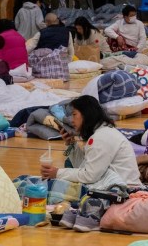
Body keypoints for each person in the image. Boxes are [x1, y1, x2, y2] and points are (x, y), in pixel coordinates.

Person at [40, 95, 142, 230]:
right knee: (50, 185)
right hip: (114, 186)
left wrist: (57, 173)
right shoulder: (101, 133)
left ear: (86, 115)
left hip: (121, 190)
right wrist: (71, 144)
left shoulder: (101, 138)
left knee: (45, 187)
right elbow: (83, 167)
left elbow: (89, 176)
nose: (72, 120)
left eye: (75, 114)